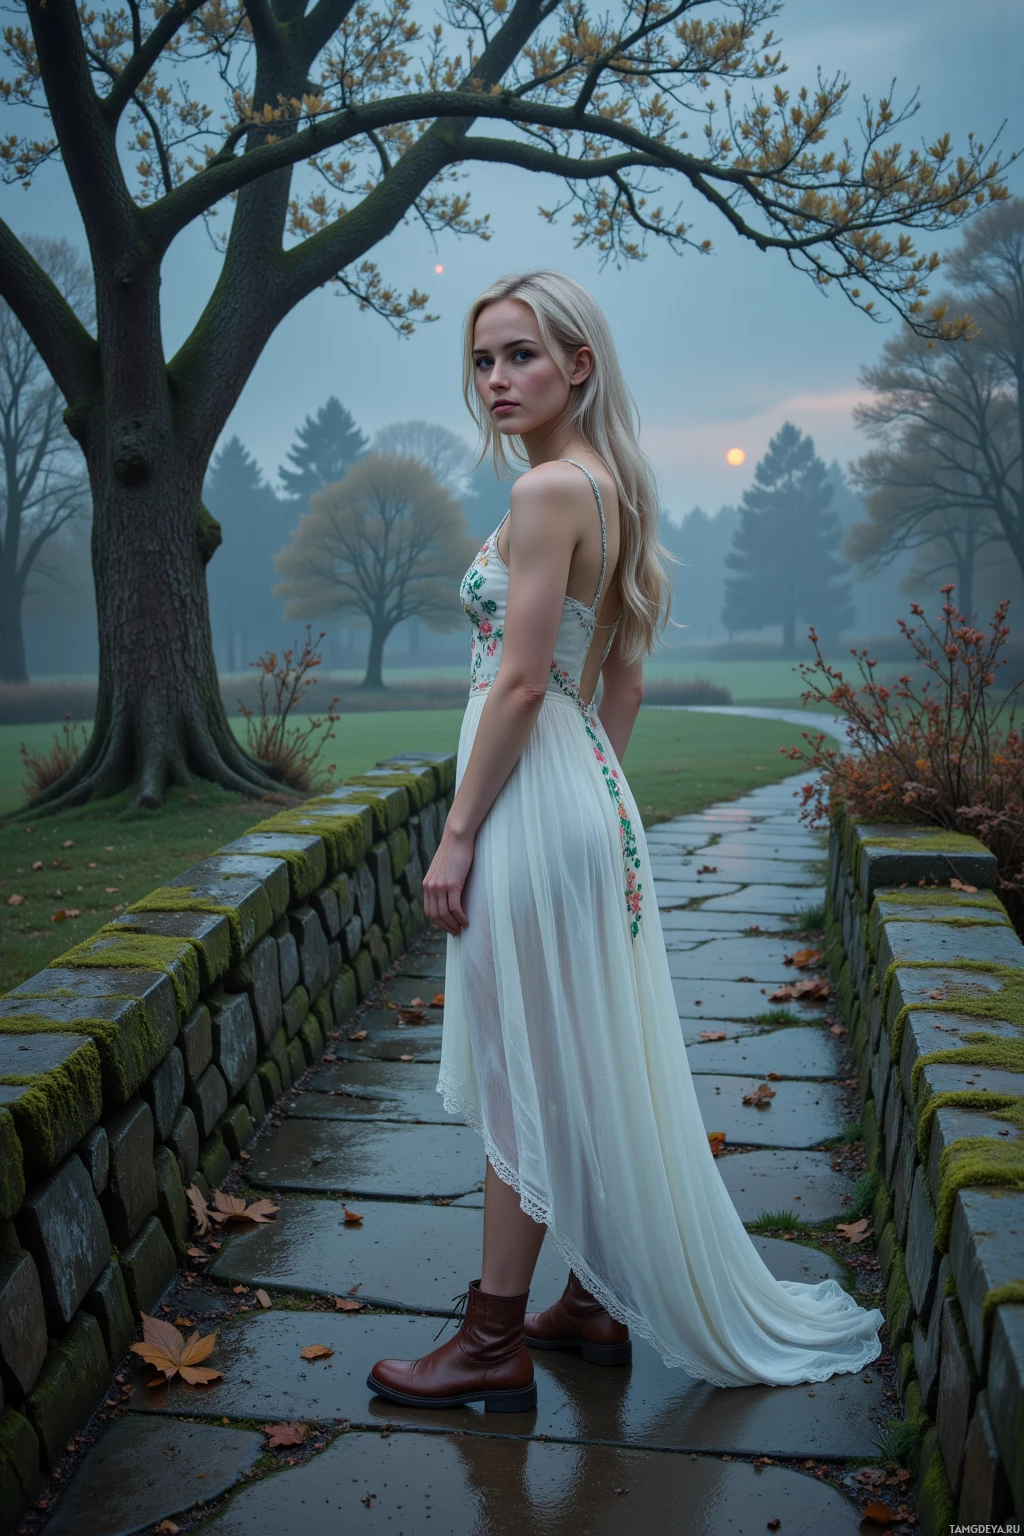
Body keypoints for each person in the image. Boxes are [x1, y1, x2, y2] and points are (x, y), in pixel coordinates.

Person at [367, 269, 884, 1412]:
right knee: (571, 1058)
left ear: (579, 366)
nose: (497, 380)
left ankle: (491, 1338)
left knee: (522, 1077)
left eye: (521, 356)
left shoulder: (551, 490)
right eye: (484, 361)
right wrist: (586, 792)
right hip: (580, 789)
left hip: (531, 796)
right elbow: (627, 684)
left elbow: (513, 686)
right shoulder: (616, 486)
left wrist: (462, 836)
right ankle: (593, 1303)